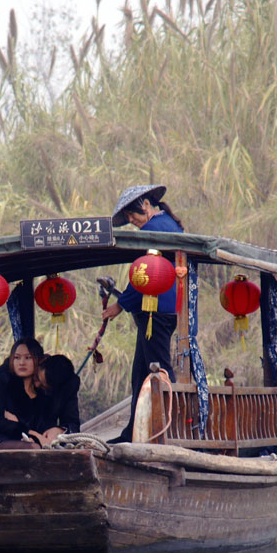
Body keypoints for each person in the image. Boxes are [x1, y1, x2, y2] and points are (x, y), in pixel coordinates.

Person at [102, 185, 184, 442]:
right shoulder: (170, 224)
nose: (132, 221)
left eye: (132, 214)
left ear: (146, 204)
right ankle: (132, 433)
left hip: (156, 311)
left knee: (159, 371)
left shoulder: (154, 230)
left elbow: (143, 278)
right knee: (140, 373)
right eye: (127, 218)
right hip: (163, 310)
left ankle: (168, 432)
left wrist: (119, 305)